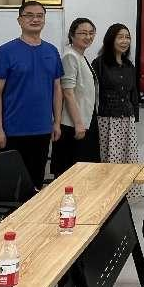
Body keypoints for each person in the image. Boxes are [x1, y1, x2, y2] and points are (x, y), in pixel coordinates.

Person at [0, 1, 63, 189]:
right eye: (29, 15)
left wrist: (56, 122)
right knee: (8, 189)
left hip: (42, 130)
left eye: (39, 15)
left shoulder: (52, 51)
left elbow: (57, 89)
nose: (35, 19)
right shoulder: (5, 52)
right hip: (12, 131)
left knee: (34, 186)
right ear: (19, 20)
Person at [92, 24, 141, 194]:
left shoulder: (129, 65)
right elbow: (93, 93)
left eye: (127, 37)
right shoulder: (99, 63)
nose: (125, 41)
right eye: (120, 37)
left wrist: (134, 116)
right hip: (106, 120)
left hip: (127, 120)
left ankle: (122, 196)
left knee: (126, 161)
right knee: (108, 161)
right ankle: (106, 195)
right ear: (110, 39)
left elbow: (133, 93)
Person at [50, 18, 100, 176]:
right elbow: (68, 92)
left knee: (86, 172)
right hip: (73, 124)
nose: (88, 37)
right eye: (83, 33)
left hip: (85, 120)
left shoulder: (80, 56)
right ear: (72, 35)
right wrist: (79, 124)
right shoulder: (70, 56)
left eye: (91, 33)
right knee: (72, 173)